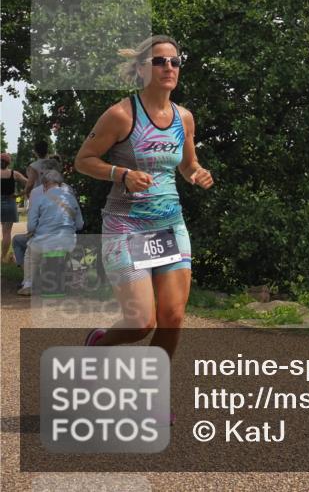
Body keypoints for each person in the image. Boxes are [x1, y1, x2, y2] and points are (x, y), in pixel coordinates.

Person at [74, 35, 213, 375]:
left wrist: (197, 172)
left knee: (172, 318)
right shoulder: (121, 115)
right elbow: (83, 160)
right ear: (141, 69)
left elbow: (186, 163)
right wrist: (121, 173)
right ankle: (99, 343)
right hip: (126, 227)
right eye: (159, 61)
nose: (169, 67)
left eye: (174, 62)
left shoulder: (184, 119)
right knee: (140, 322)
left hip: (168, 226)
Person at [20, 168, 84, 296]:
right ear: (60, 184)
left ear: (44, 185)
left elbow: (31, 226)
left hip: (44, 242)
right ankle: (75, 282)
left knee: (30, 254)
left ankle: (28, 285)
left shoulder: (39, 199)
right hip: (68, 242)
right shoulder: (71, 199)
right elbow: (80, 225)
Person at [1, 153, 28, 263]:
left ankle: (3, 257)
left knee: (4, 230)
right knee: (7, 232)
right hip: (10, 203)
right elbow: (28, 182)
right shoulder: (14, 173)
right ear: (9, 162)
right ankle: (3, 257)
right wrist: (20, 194)